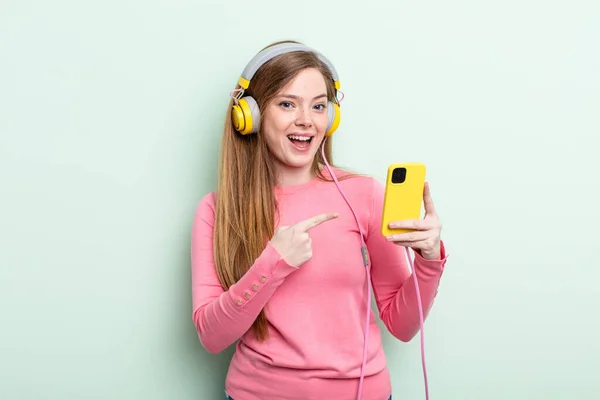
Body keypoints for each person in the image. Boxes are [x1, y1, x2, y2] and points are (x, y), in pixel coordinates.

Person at [190, 40, 448, 400]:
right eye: (286, 104)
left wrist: (430, 259)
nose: (306, 121)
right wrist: (272, 264)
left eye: (319, 106)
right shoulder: (218, 210)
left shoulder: (364, 195)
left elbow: (402, 326)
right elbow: (211, 336)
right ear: (249, 114)